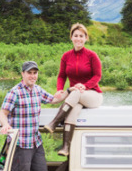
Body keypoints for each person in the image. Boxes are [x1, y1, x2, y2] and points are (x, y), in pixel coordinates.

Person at [0, 61, 65, 171]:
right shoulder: (14, 92)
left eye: (35, 73)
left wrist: (70, 91)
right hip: (21, 143)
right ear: (22, 74)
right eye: (29, 73)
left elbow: (54, 100)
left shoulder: (38, 90)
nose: (33, 76)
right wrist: (6, 125)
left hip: (35, 141)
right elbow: (2, 113)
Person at [44, 23, 103, 156]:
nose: (78, 39)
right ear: (71, 37)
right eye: (75, 35)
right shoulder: (66, 56)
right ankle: (65, 147)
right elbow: (61, 76)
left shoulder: (92, 56)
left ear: (86, 38)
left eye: (81, 36)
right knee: (73, 111)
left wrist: (85, 86)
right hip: (75, 97)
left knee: (75, 92)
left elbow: (97, 76)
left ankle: (54, 122)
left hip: (93, 95)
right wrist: (59, 89)